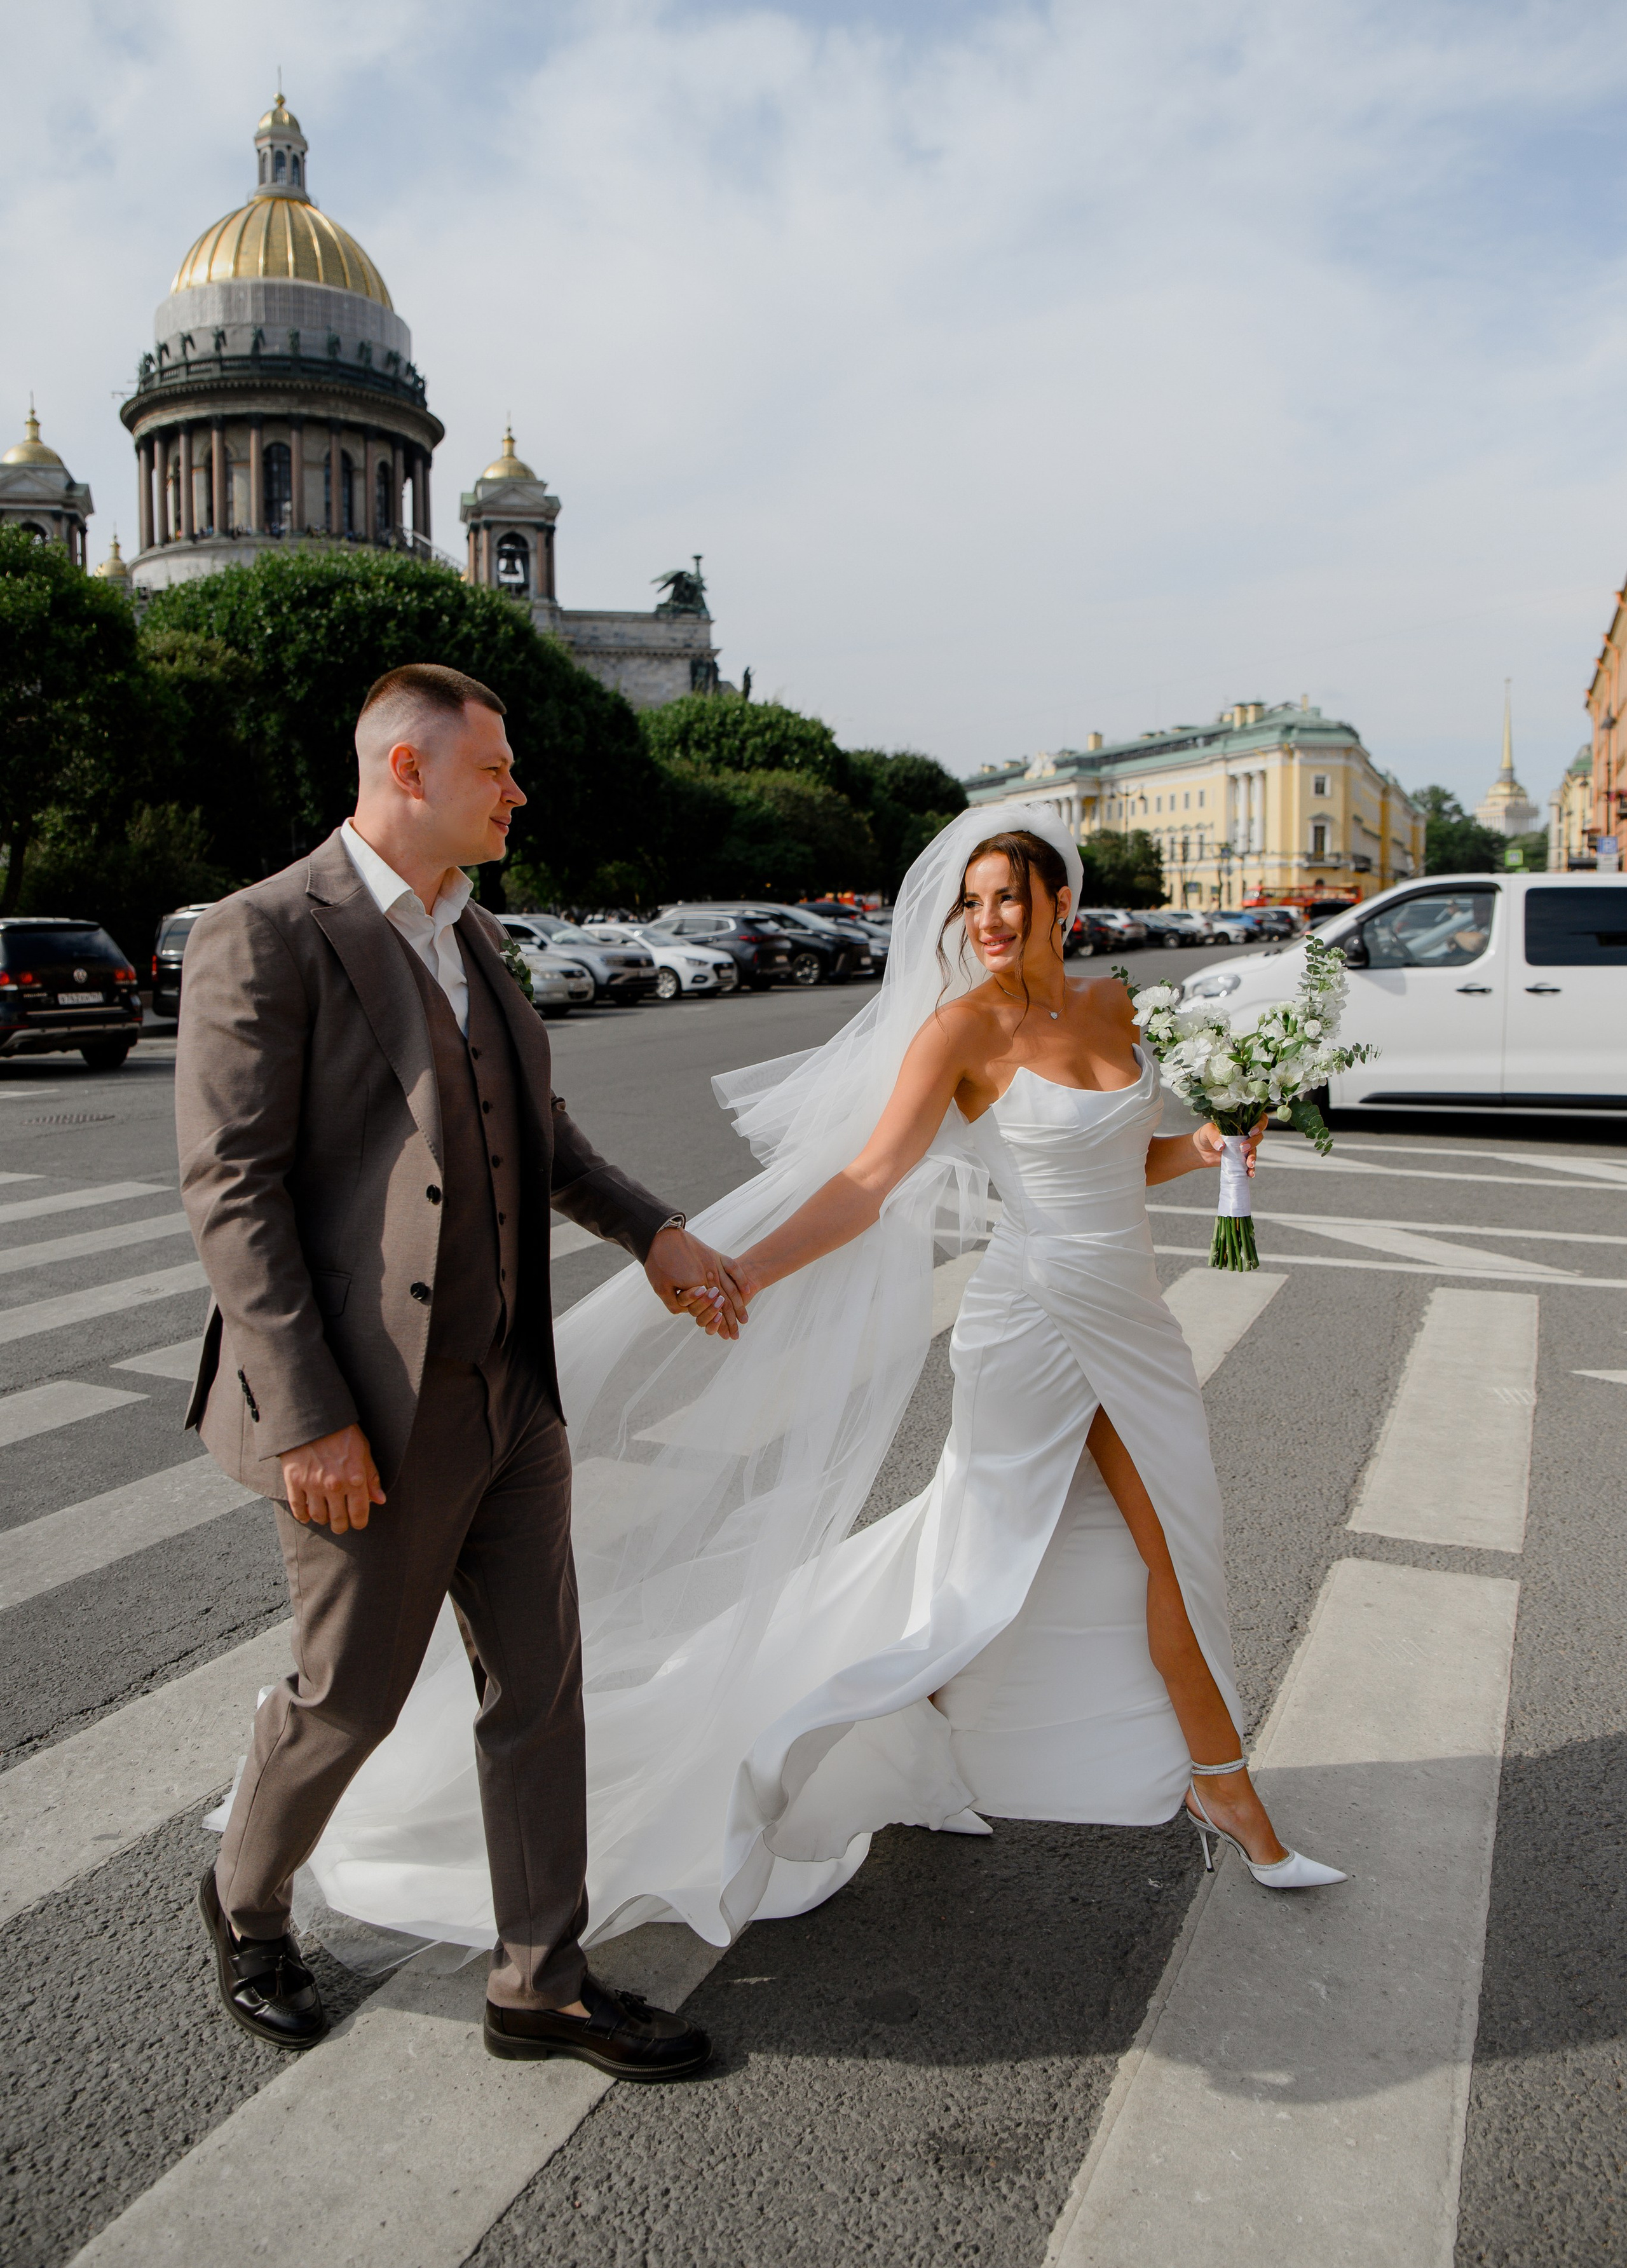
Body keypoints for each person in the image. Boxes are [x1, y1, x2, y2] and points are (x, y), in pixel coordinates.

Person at [284, 800, 1339, 1973]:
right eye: (971, 902)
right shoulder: (960, 1031)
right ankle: (1221, 1787)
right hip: (1036, 1324)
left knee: (1048, 1557)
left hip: (1134, 1319)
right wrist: (748, 1270)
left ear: (1062, 904)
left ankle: (932, 1740)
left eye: (1009, 898)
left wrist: (1205, 1148)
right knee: (1117, 1551)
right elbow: (869, 1181)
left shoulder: (1116, 1008)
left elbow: (1118, 1160)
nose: (987, 920)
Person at [178, 661, 737, 2078]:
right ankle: (246, 1899)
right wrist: (309, 1416)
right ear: (408, 770)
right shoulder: (266, 929)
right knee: (348, 1700)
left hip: (508, 1394)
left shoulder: (473, 933)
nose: (517, 792)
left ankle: (540, 1982)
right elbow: (232, 1192)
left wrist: (655, 1230)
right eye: (495, 768)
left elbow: (536, 1134)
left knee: (540, 1692)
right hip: (364, 1411)